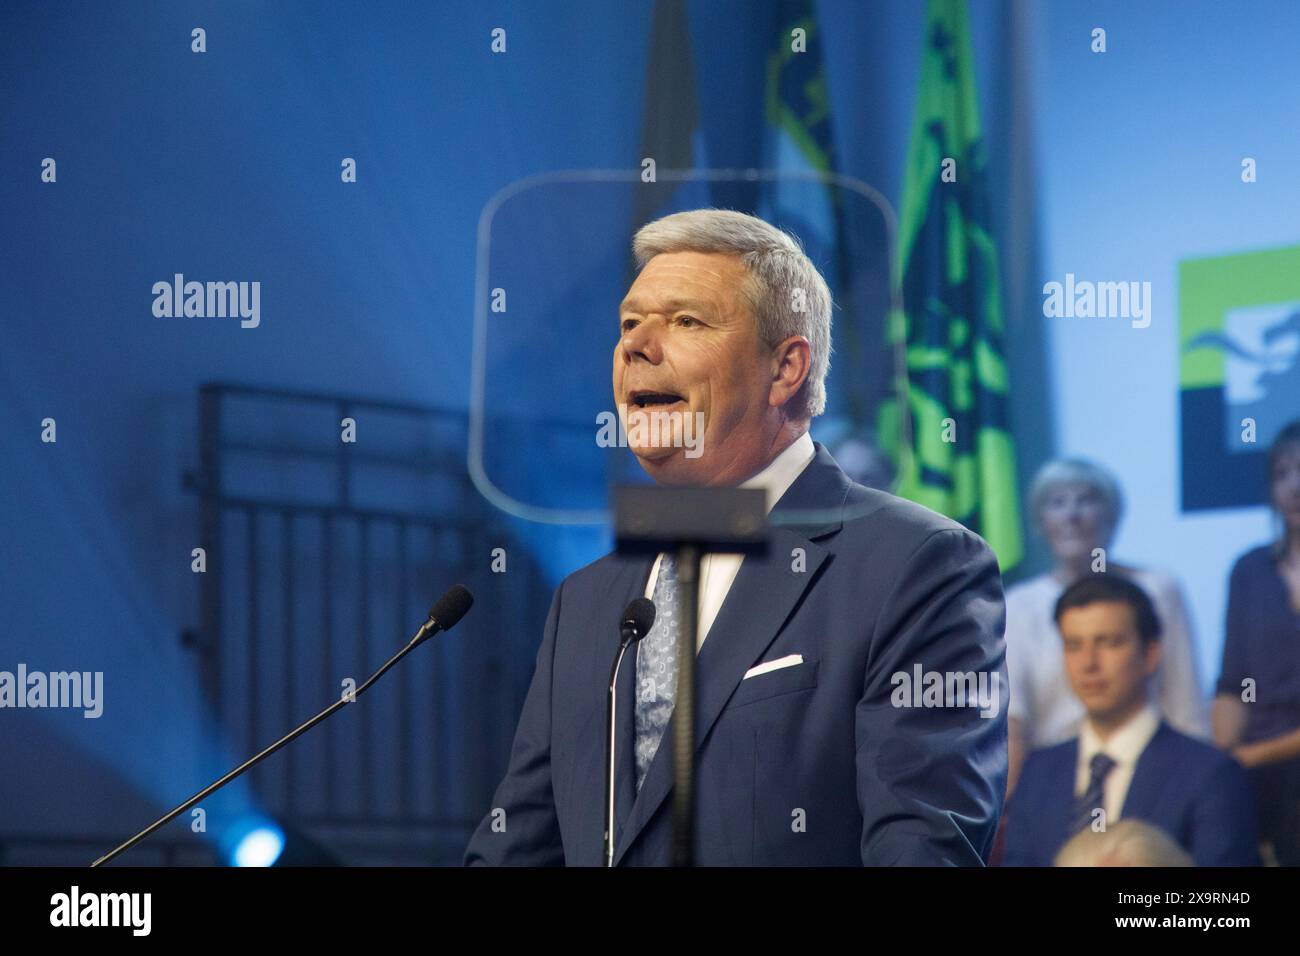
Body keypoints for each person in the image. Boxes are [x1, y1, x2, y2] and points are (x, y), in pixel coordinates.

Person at [463, 209, 1008, 865]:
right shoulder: (587, 601)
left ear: (785, 369)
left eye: (686, 321)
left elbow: (922, 847)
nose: (636, 345)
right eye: (629, 324)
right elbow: (515, 849)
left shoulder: (915, 565)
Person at [1002, 575, 1258, 866]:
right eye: (1073, 645)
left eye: (1108, 643)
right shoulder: (1038, 772)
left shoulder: (1212, 775)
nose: (1088, 664)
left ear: (1150, 654)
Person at [1005, 458, 1206, 793]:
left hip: (1154, 775)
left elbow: (1185, 704)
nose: (1072, 515)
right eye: (1057, 503)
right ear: (1040, 521)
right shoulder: (1017, 605)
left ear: (1112, 515)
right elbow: (1013, 723)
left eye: (1086, 500)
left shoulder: (1158, 588)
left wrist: (1196, 788)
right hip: (1056, 784)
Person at [1213, 420, 1300, 866]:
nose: (1295, 486)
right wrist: (1220, 762)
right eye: (1283, 473)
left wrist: (1251, 757)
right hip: (1255, 765)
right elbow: (1232, 685)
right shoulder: (1250, 570)